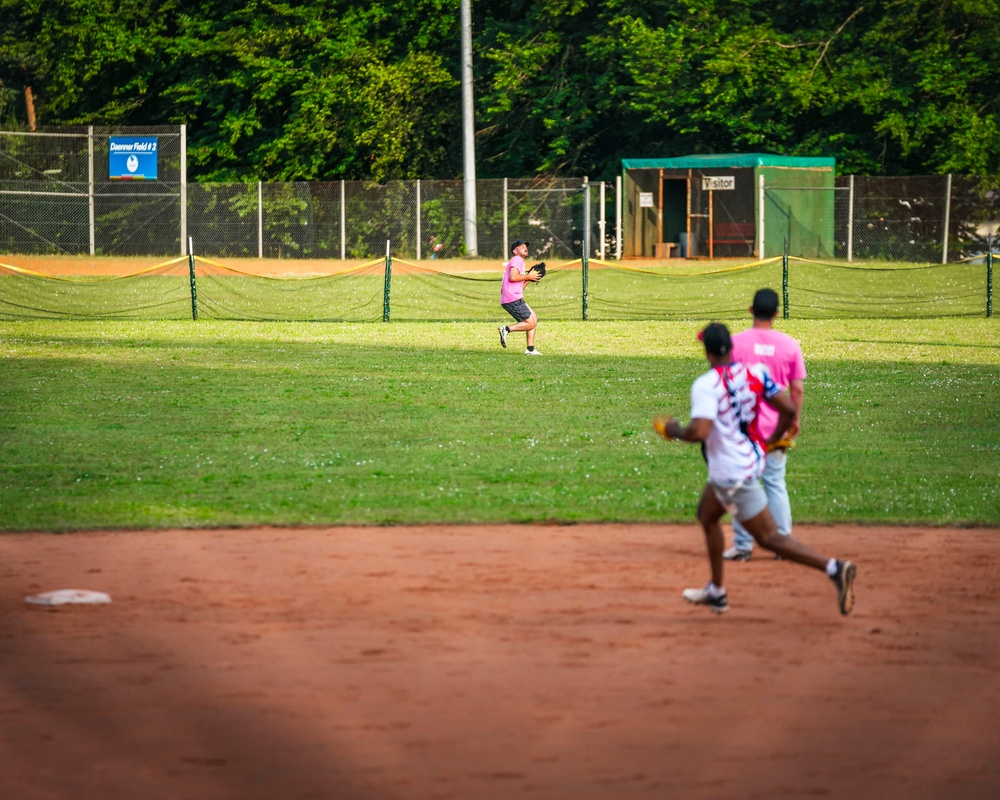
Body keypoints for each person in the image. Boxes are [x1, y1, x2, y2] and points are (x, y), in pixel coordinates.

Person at [653, 322, 856, 616]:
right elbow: (787, 410)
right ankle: (717, 592)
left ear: (708, 353)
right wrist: (773, 439)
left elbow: (699, 431)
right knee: (707, 515)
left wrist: (674, 430)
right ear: (730, 348)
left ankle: (835, 568)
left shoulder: (705, 385)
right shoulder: (755, 373)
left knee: (770, 538)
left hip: (731, 473)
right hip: (745, 460)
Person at [725, 288, 807, 561]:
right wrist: (794, 419)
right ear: (776, 313)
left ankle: (743, 545)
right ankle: (782, 542)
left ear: (751, 310)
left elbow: (727, 383)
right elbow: (797, 390)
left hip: (744, 427)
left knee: (742, 484)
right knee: (774, 482)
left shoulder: (736, 343)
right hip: (777, 426)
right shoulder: (790, 345)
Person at [498, 239, 542, 355]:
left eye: (525, 246)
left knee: (533, 318)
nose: (525, 248)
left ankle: (530, 349)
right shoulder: (517, 259)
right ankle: (506, 329)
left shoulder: (519, 262)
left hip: (513, 296)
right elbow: (513, 277)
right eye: (521, 246)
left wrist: (531, 278)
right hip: (511, 298)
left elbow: (519, 287)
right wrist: (528, 276)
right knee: (530, 323)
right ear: (515, 251)